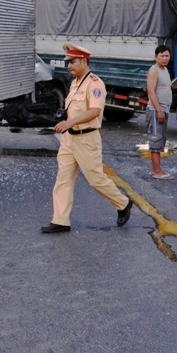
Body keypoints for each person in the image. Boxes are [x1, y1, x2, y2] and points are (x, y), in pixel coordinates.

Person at [42, 43, 133, 234]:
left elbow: (94, 111)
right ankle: (60, 220)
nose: (69, 66)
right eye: (68, 62)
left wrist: (70, 122)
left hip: (87, 138)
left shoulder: (95, 83)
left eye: (72, 62)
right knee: (63, 180)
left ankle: (123, 203)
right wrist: (64, 122)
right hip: (70, 139)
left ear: (84, 61)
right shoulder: (75, 83)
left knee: (95, 180)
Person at [146, 45, 174, 179]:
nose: (165, 58)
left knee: (161, 140)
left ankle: (156, 169)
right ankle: (157, 171)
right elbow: (151, 91)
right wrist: (159, 110)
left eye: (167, 56)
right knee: (156, 140)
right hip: (155, 110)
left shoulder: (165, 70)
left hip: (164, 109)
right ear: (155, 57)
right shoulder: (154, 71)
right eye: (162, 56)